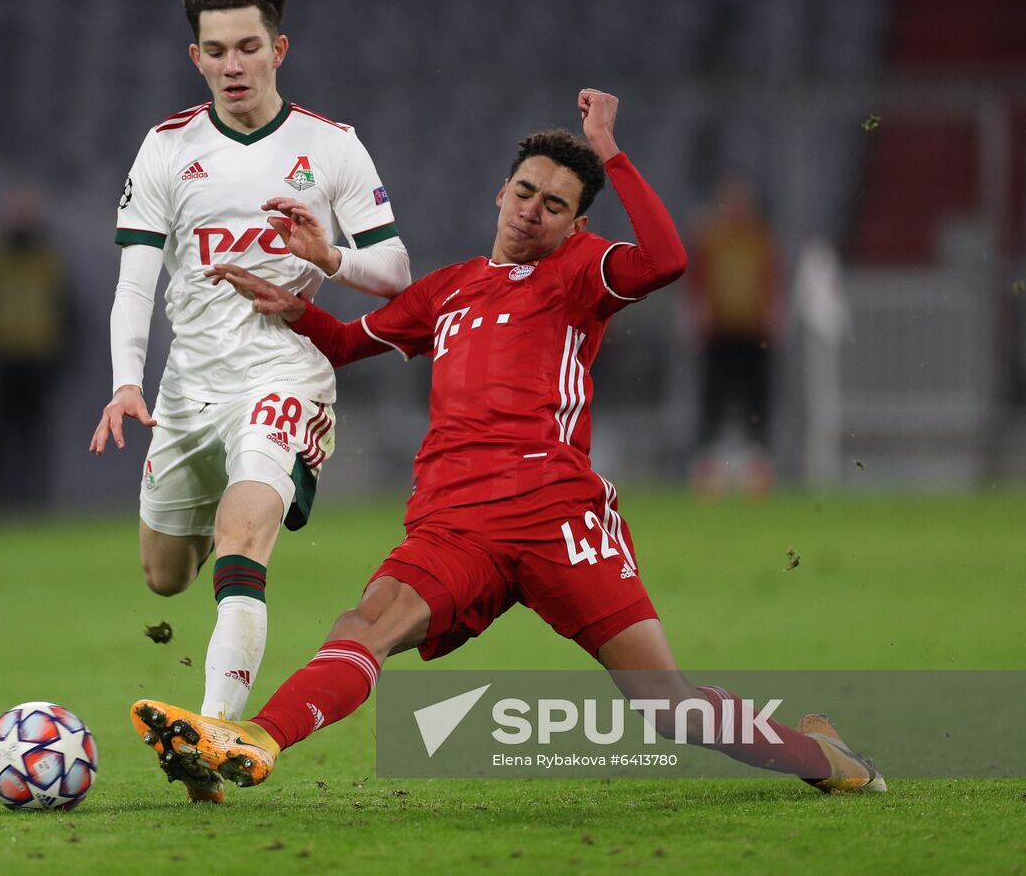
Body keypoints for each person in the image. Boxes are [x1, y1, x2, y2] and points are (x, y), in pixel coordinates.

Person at [130, 89, 884, 798]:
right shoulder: (449, 289)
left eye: (555, 205)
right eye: (524, 191)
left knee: (668, 706)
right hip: (455, 523)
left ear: (576, 226)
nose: (532, 211)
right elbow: (347, 342)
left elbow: (668, 261)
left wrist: (609, 151)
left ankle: (822, 756)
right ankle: (254, 739)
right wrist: (298, 303)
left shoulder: (580, 274)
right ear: (501, 192)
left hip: (556, 516)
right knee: (364, 625)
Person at [90, 0, 411, 800]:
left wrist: (328, 255)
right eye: (216, 50)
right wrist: (128, 381)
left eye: (248, 47)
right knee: (167, 571)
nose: (233, 64)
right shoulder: (166, 150)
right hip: (188, 389)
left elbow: (397, 271)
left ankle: (211, 735)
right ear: (195, 56)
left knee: (244, 535)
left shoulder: (329, 147)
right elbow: (135, 278)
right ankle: (211, 705)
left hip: (285, 373)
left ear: (280, 49)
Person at [0, 188, 74, 510]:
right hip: (2, 360)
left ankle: (35, 503)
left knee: (35, 439)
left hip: (38, 361)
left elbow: (67, 316)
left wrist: (60, 363)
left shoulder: (49, 261)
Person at [688, 175, 783, 498]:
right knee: (713, 399)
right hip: (719, 332)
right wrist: (698, 313)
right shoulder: (711, 238)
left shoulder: (759, 238)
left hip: (753, 332)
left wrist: (772, 311)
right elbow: (697, 280)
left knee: (756, 399)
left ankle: (757, 468)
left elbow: (771, 277)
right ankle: (708, 467)